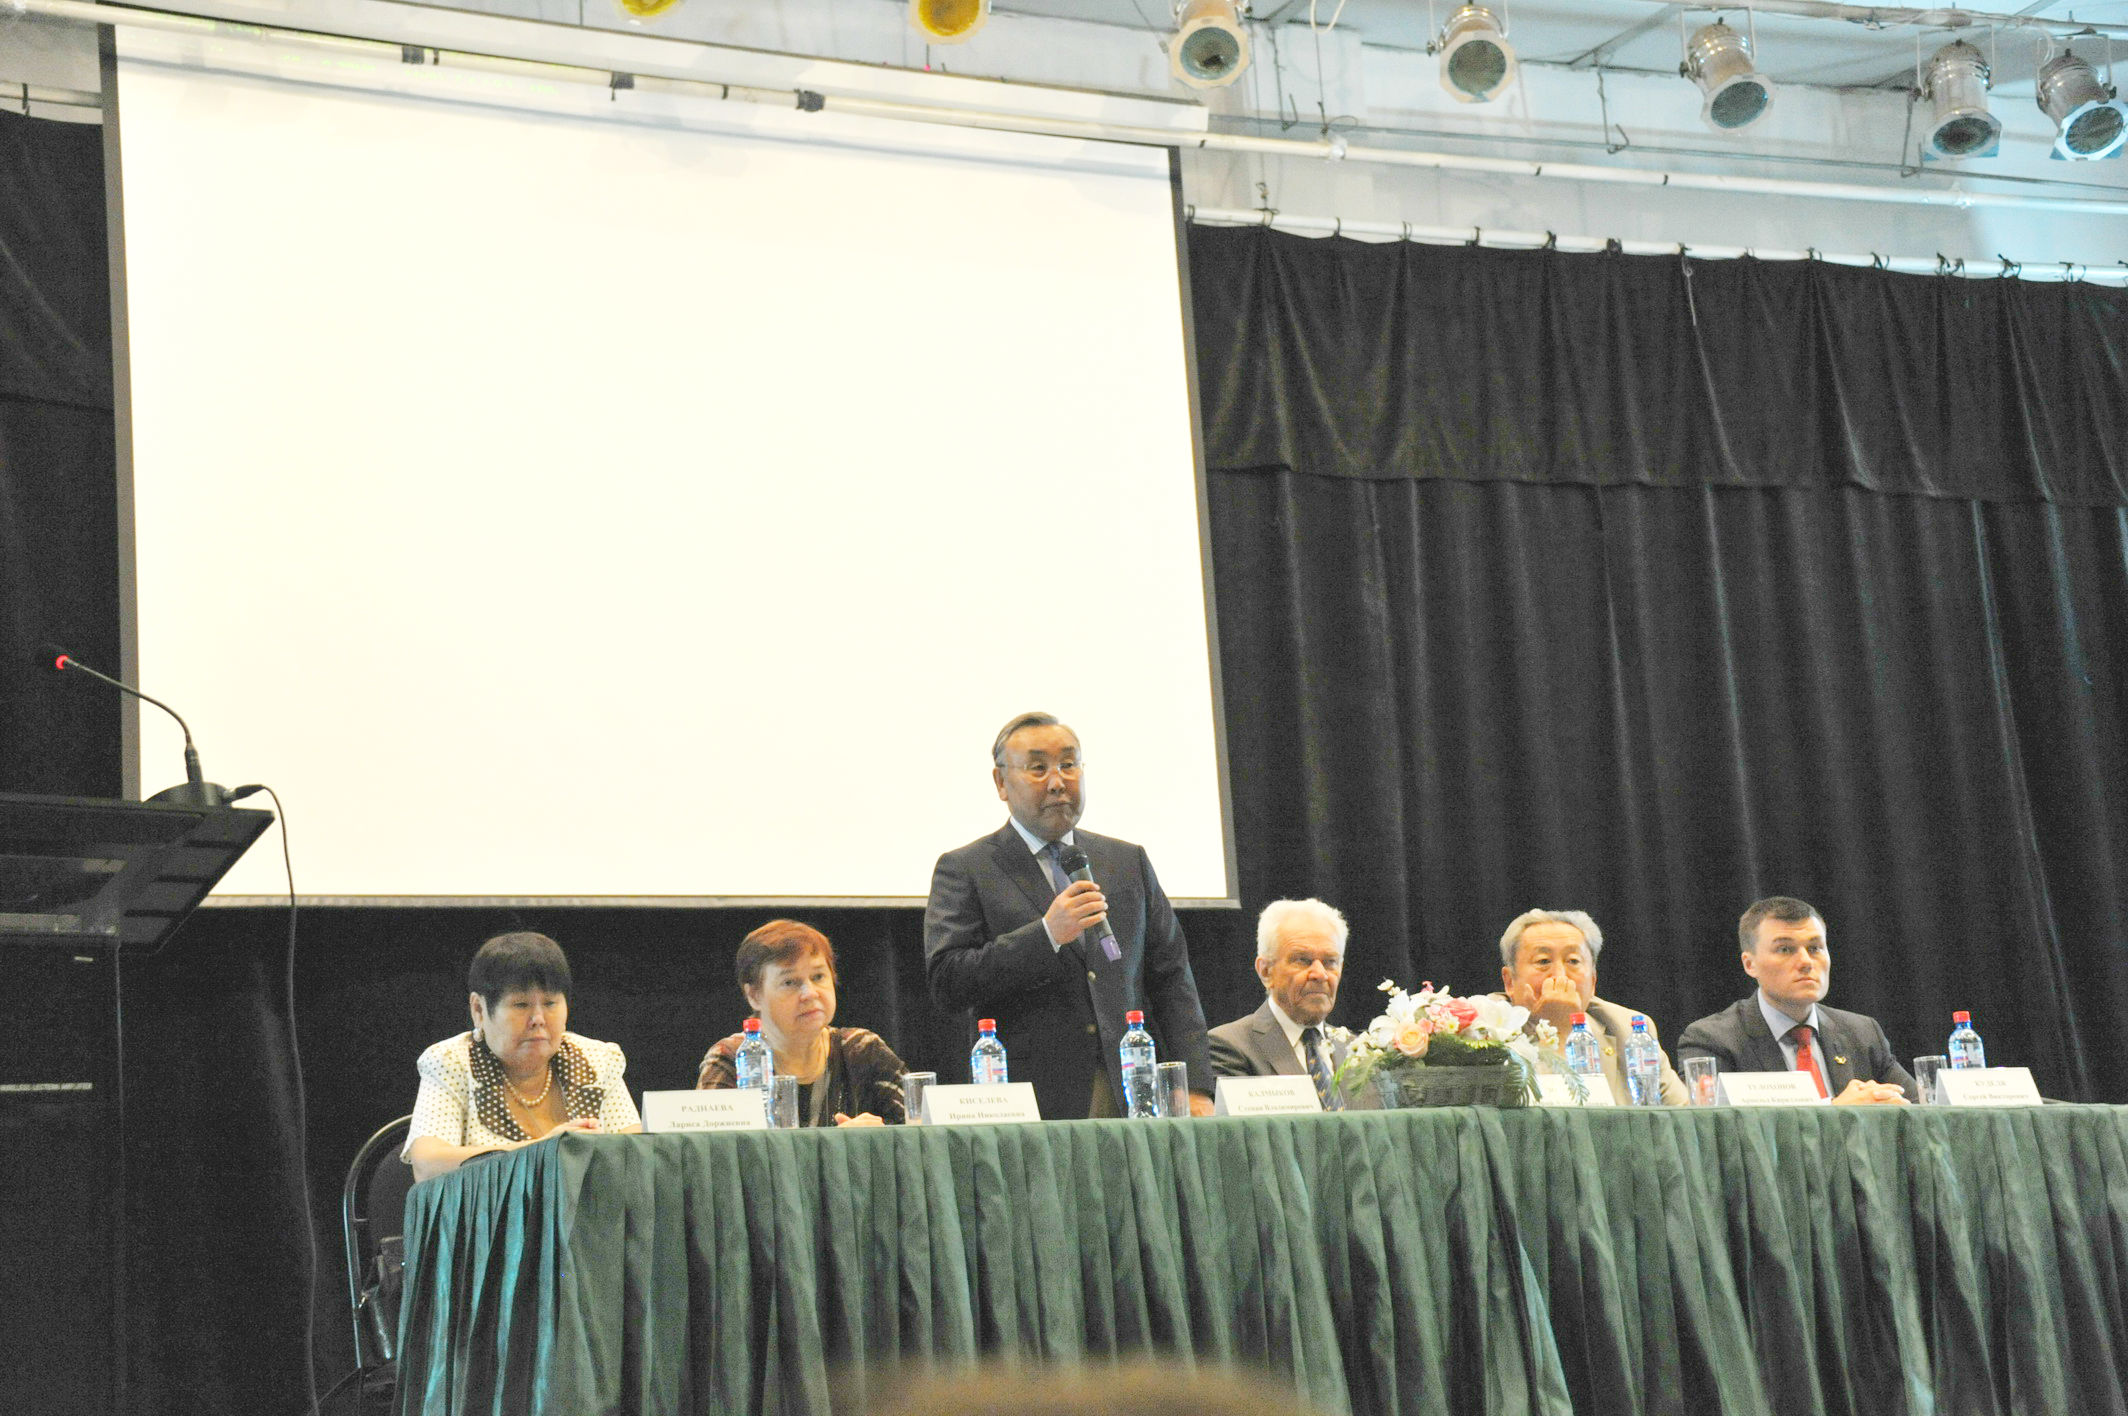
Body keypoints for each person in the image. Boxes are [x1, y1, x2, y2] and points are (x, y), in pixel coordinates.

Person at [924, 711, 1214, 1119]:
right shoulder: (967, 868)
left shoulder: (1126, 861)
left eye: (1068, 764)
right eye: (1038, 768)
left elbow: (1172, 978)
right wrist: (1046, 934)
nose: (1058, 781)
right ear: (1001, 783)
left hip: (1132, 1093)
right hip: (1031, 1104)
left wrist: (1195, 1085)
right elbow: (948, 982)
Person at [403, 931, 641, 1181]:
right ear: (478, 1009)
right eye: (521, 1005)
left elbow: (638, 1159)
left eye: (550, 1003)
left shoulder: (598, 1060)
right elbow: (428, 1165)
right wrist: (544, 1151)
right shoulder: (450, 1061)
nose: (538, 1019)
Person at [1675, 896, 1916, 1104]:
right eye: (1785, 949)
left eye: (1815, 948)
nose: (1806, 962)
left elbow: (1921, 1108)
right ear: (1750, 964)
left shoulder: (1862, 1033)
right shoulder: (1712, 1040)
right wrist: (1837, 1112)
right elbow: (1719, 1132)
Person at [697, 919, 907, 1125]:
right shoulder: (733, 1058)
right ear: (754, 995)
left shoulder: (861, 1050)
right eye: (790, 982)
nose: (810, 993)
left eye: (818, 977)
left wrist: (878, 1136)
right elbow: (713, 1144)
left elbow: (918, 1126)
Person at [1497, 908, 1686, 1105]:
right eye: (1543, 961)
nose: (1560, 976)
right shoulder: (1483, 1031)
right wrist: (1557, 1030)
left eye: (1573, 961)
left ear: (1593, 981)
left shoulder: (1628, 1028)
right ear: (1509, 981)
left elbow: (1683, 1113)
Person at [1208, 898, 1365, 1110]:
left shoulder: (1360, 1052)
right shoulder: (1229, 1047)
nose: (1320, 974)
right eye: (1303, 960)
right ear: (1265, 971)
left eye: (1330, 962)